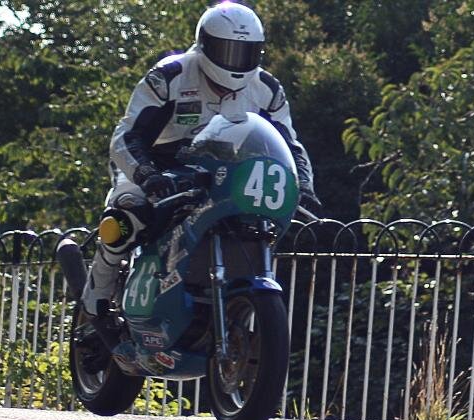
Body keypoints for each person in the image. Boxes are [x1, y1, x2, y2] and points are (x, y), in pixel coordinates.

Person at [82, 1, 321, 318]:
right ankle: (97, 293)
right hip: (155, 166)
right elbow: (127, 136)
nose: (235, 62)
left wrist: (302, 186)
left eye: (244, 52)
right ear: (204, 44)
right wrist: (147, 175)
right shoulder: (170, 75)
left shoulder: (266, 89)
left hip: (223, 171)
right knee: (130, 212)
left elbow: (290, 144)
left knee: (255, 226)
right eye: (226, 50)